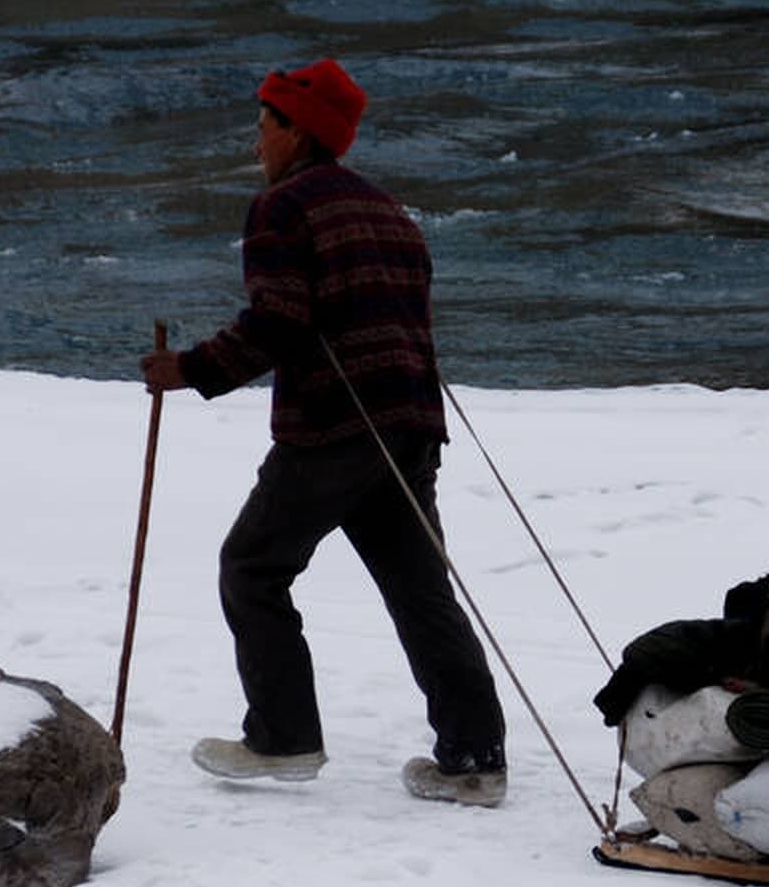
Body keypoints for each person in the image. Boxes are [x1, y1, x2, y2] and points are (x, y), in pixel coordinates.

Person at [141, 58, 508, 807]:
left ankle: (283, 740)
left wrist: (188, 369)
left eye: (264, 126)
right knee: (420, 590)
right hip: (410, 424)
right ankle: (475, 760)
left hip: (334, 428)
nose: (256, 145)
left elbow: (279, 322)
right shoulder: (391, 211)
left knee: (252, 567)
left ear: (296, 131)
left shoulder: (282, 206)